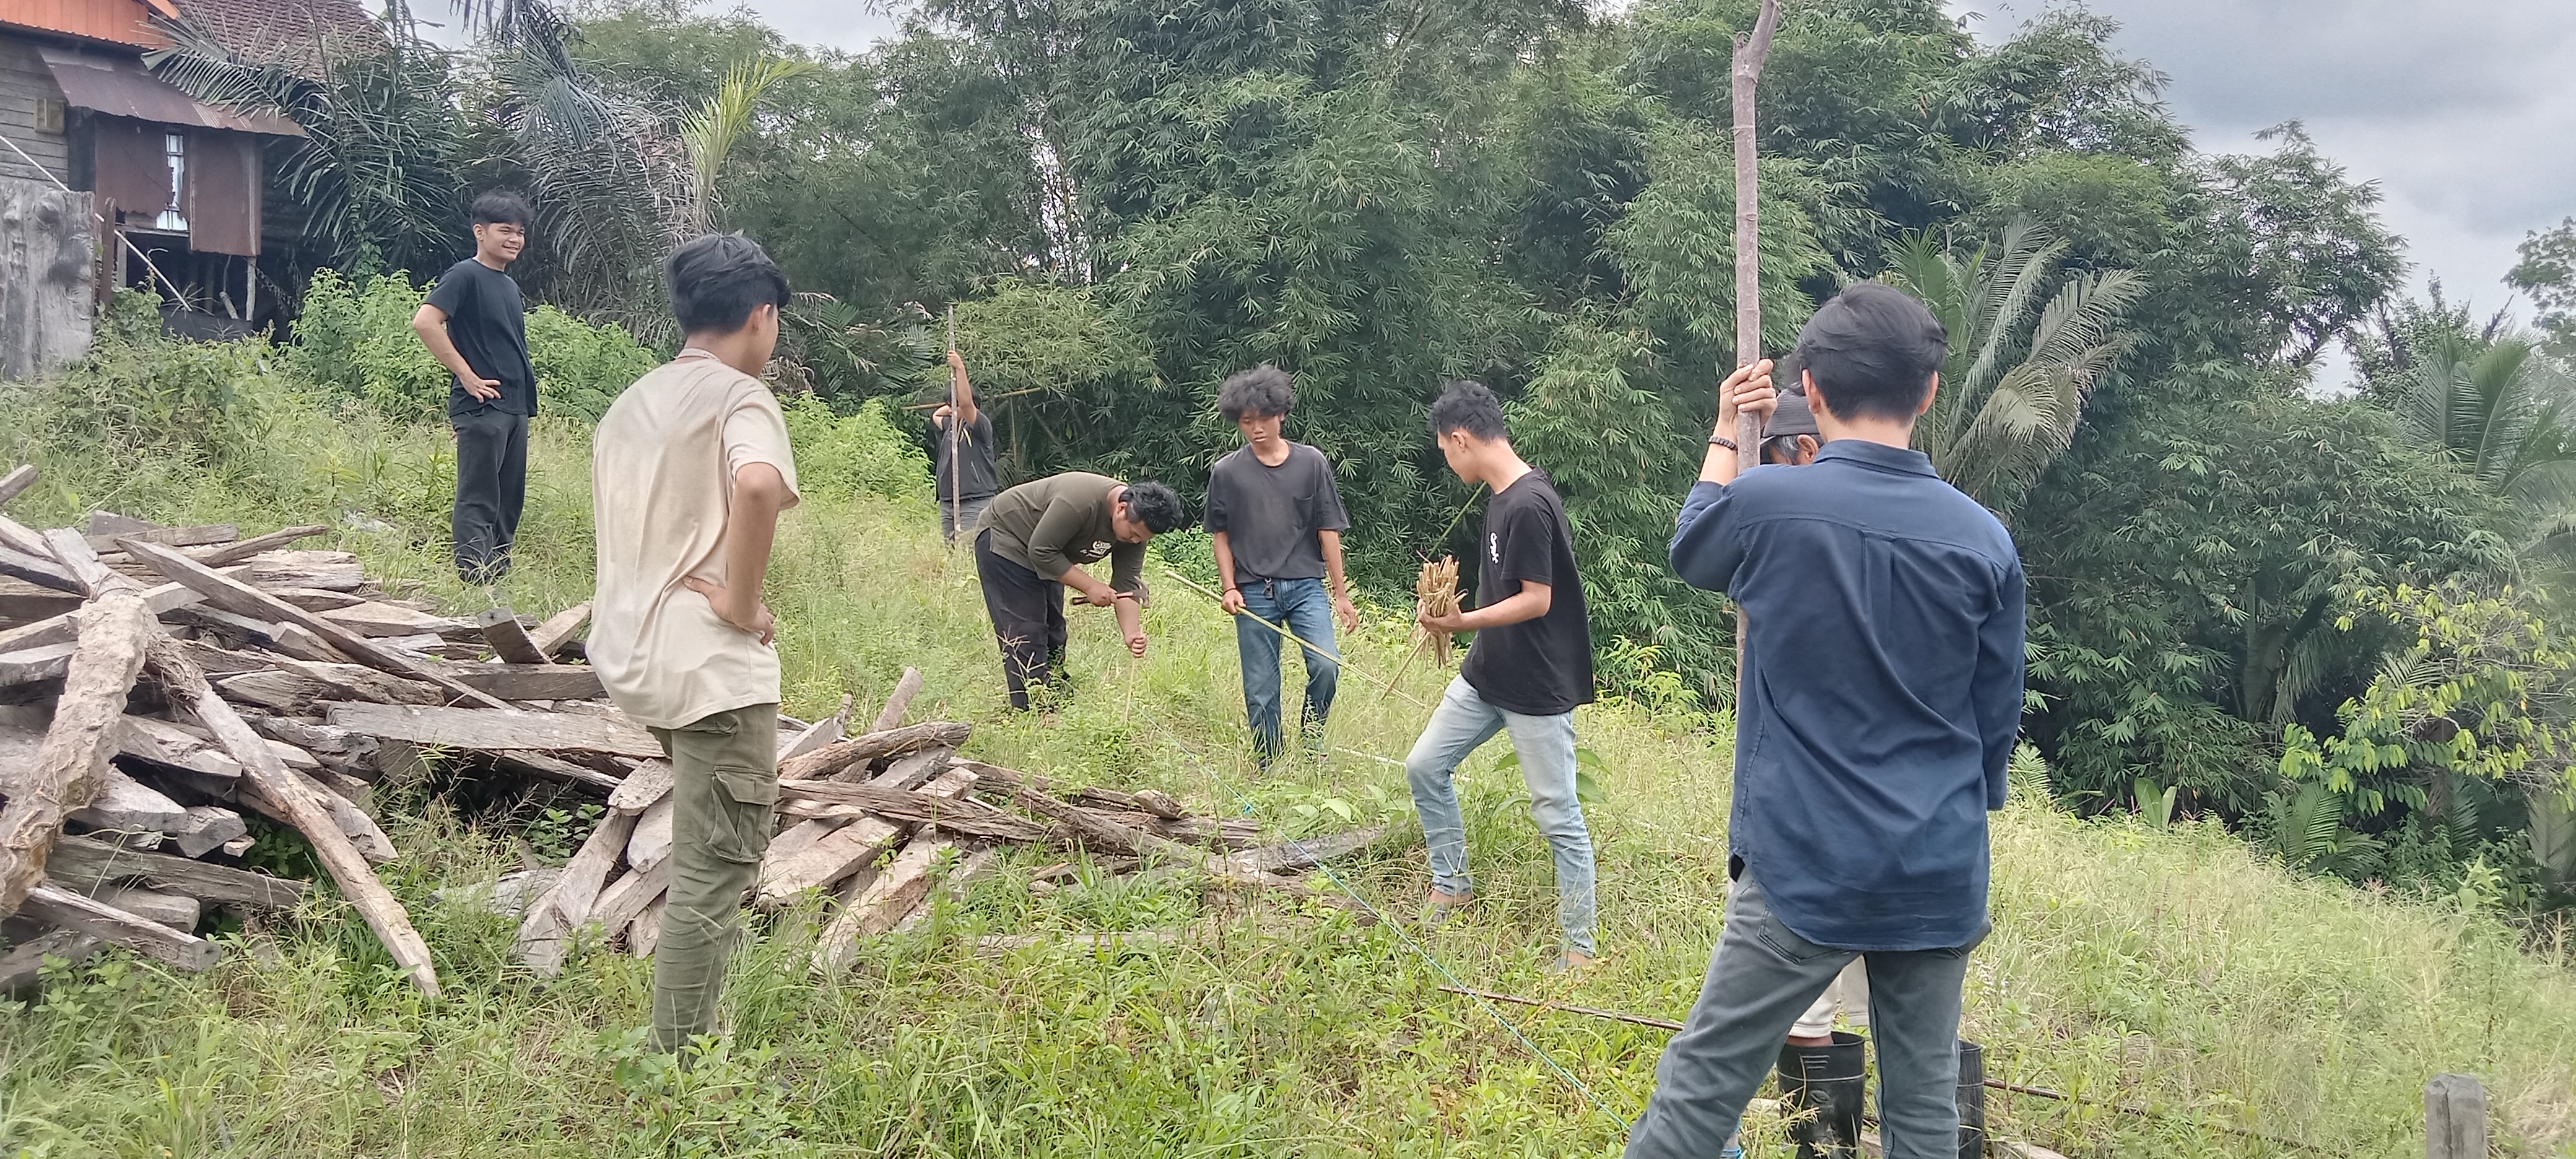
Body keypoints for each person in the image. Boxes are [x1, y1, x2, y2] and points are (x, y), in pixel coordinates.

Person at [1625, 283, 2026, 1159]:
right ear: (1928, 392)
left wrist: (1724, 434)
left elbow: (1693, 543)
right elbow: (1995, 717)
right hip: (1937, 865)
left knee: (1698, 1096)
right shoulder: (1984, 539)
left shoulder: (1771, 505)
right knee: (1924, 1113)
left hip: (1803, 863)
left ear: (1810, 383)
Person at [588, 233, 801, 1056]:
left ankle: (694, 1009)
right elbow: (754, 484)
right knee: (716, 867)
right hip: (709, 667)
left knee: (705, 840)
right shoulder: (738, 397)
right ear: (761, 315)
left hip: (632, 653)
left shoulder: (631, 401)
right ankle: (678, 1057)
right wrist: (743, 604)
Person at [1403, 380, 1599, 971]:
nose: (1446, 459)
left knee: (1556, 812)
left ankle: (1580, 947)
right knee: (1424, 766)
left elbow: (1537, 600)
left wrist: (1460, 620)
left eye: (1444, 449)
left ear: (1461, 439)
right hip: (1487, 673)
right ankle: (1452, 883)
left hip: (1536, 686)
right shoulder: (1500, 496)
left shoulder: (1529, 504)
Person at [1206, 365, 1359, 765]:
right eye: (1246, 422)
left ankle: (1312, 743)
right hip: (1254, 590)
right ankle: (1269, 765)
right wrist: (1229, 587)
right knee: (1261, 687)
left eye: (1263, 419)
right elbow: (1219, 534)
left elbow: (1329, 528)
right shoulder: (1227, 472)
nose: (1256, 428)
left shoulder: (1311, 463)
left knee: (1326, 665)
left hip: (1306, 586)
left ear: (1281, 415)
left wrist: (1340, 595)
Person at [973, 472, 1187, 710]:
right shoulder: (1078, 501)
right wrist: (1090, 586)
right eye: (1134, 534)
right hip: (1007, 540)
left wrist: (1131, 634)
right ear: (1121, 509)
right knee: (1027, 632)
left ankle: (1054, 697)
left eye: (1142, 538)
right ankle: (1032, 711)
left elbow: (1126, 584)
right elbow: (1041, 550)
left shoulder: (1137, 529)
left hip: (1052, 553)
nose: (1135, 541)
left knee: (1055, 631)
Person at [412, 191, 539, 584]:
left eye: (520, 232)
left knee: (508, 500)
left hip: (515, 406)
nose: (515, 239)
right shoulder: (464, 275)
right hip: (482, 406)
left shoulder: (507, 286)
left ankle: (497, 578)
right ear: (480, 232)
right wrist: (466, 375)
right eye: (505, 231)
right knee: (479, 495)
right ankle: (474, 579)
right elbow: (425, 322)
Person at [930, 349, 999, 545]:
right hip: (948, 503)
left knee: (971, 551)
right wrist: (951, 404)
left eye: (955, 405)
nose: (951, 409)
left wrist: (959, 368)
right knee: (951, 553)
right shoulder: (952, 425)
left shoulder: (980, 426)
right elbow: (936, 415)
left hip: (974, 502)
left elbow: (968, 405)